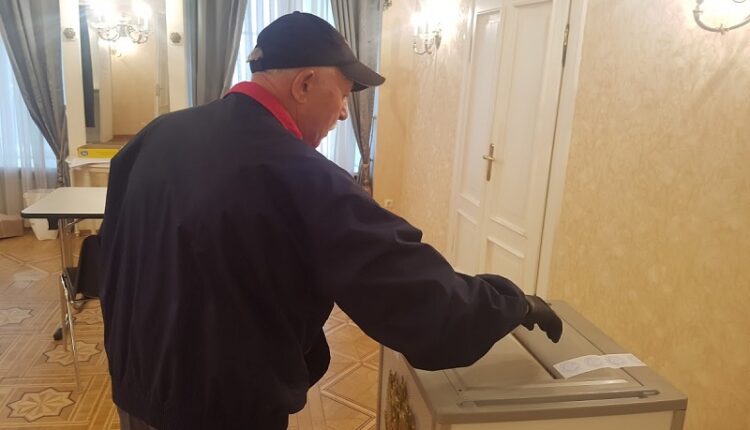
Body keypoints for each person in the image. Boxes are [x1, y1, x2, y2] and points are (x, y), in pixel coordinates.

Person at [99, 11, 563, 430]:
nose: (344, 112)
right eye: (341, 94)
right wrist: (512, 303)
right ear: (304, 84)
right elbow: (420, 301)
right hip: (222, 413)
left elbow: (111, 258)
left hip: (134, 394)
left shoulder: (155, 136)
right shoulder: (302, 174)